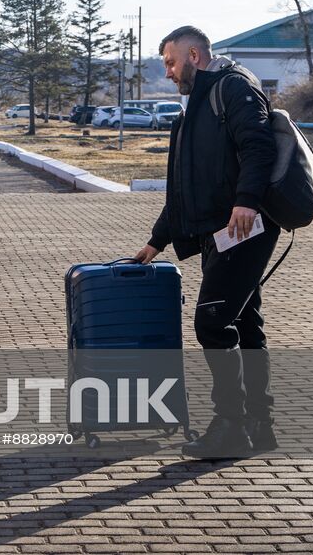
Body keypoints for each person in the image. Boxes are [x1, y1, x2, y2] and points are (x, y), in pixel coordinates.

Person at [132, 25, 279, 459]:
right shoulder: (195, 106)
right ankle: (259, 425)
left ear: (193, 55)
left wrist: (247, 201)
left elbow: (258, 146)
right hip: (219, 231)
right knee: (244, 324)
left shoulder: (233, 88)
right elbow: (184, 186)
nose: (169, 73)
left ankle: (231, 427)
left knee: (212, 322)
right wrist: (157, 241)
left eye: (171, 63)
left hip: (243, 228)